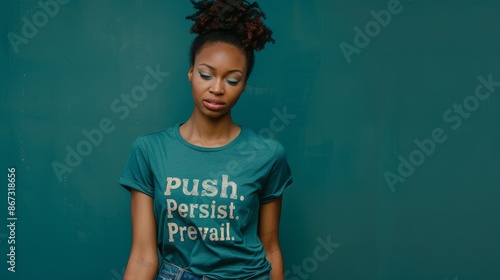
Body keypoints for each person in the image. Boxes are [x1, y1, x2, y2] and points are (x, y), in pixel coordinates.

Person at [119, 1, 293, 279]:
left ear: (245, 84)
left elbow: (271, 247)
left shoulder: (268, 154)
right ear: (190, 72)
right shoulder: (150, 150)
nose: (217, 88)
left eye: (232, 80)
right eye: (206, 74)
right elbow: (143, 256)